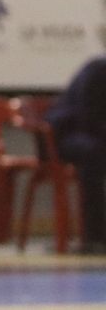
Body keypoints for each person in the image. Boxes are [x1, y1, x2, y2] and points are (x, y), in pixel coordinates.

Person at [49, 25, 106, 255]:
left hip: (96, 135)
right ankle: (95, 236)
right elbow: (89, 118)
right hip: (67, 135)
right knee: (93, 153)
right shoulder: (99, 69)